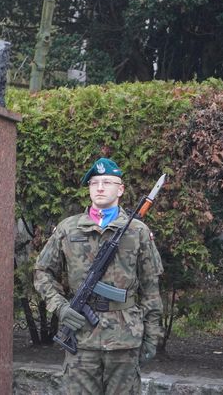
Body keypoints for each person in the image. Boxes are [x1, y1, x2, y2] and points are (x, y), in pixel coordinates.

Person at [34, 157, 163, 395]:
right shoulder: (68, 229)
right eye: (94, 183)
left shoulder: (137, 232)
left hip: (124, 340)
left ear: (120, 189)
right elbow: (42, 273)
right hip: (82, 340)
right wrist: (62, 308)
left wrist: (152, 335)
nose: (100, 188)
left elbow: (151, 288)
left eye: (107, 182)